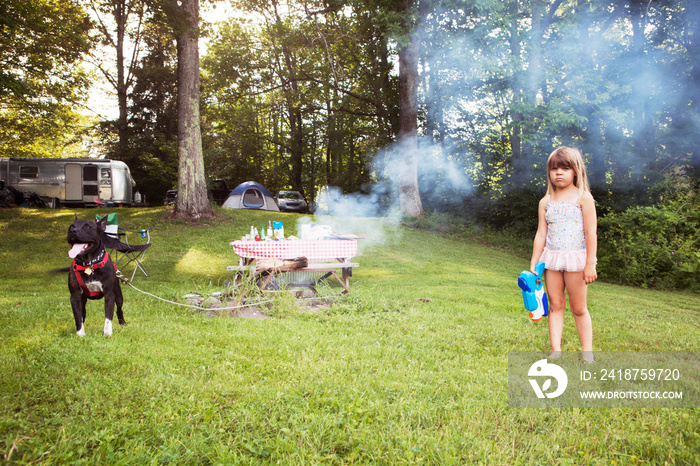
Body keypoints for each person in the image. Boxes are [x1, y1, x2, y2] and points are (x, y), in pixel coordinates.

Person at [530, 146, 597, 363]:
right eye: (554, 168)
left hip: (577, 260)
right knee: (555, 304)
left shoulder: (583, 198)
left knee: (578, 308)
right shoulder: (545, 202)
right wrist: (534, 261)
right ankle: (556, 350)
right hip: (552, 260)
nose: (558, 172)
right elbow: (541, 234)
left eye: (565, 168)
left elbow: (591, 233)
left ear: (575, 170)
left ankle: (587, 353)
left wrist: (590, 264)